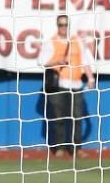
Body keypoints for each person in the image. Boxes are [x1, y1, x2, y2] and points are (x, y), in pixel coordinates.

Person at [39, 14, 95, 157]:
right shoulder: (50, 42)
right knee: (59, 117)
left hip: (76, 84)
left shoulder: (77, 41)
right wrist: (58, 60)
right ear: (57, 26)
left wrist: (90, 77)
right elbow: (42, 61)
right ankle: (59, 148)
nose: (63, 27)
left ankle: (76, 149)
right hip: (59, 84)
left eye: (65, 24)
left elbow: (85, 61)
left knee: (77, 117)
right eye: (61, 25)